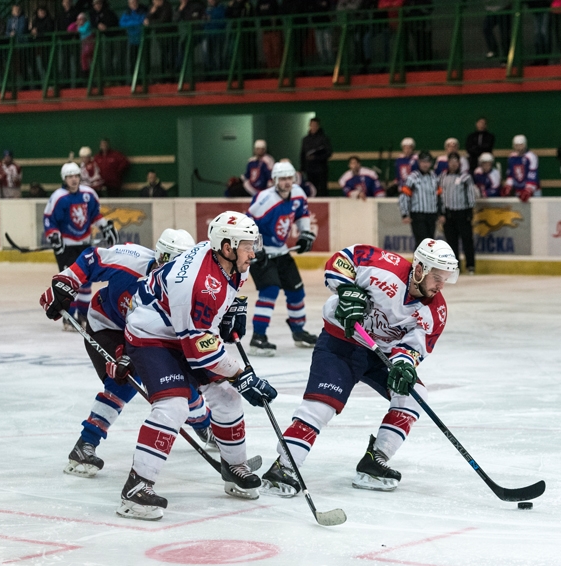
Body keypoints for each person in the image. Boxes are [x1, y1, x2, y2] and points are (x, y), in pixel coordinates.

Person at [261, 238, 459, 495]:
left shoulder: (436, 311)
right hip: (341, 341)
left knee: (414, 395)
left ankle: (374, 461)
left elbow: (413, 346)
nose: (441, 284)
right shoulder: (384, 267)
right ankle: (283, 468)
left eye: (447, 277)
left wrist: (404, 365)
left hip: (380, 354)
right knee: (322, 404)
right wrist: (345, 289)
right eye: (437, 276)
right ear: (419, 269)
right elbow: (342, 260)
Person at [118, 212, 274, 519]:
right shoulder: (198, 284)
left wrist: (230, 308)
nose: (253, 252)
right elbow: (200, 354)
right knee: (174, 405)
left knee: (228, 397)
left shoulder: (225, 258)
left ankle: (233, 468)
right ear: (227, 247)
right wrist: (243, 373)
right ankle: (136, 488)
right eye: (247, 246)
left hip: (182, 328)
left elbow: (218, 300)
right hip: (152, 335)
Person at [38, 229, 220, 476]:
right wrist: (66, 281)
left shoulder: (184, 289)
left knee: (181, 386)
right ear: (162, 257)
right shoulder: (130, 259)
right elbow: (93, 258)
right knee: (121, 383)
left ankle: (205, 426)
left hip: (147, 336)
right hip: (106, 326)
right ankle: (85, 444)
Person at [247, 161, 319, 356]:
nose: (287, 182)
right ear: (275, 180)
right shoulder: (264, 200)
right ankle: (258, 337)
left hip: (281, 251)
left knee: (296, 292)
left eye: (290, 178)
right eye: (283, 179)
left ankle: (299, 332)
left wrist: (306, 234)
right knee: (269, 291)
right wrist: (256, 249)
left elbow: (302, 213)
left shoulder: (298, 194)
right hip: (261, 254)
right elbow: (248, 224)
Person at [43, 162, 119, 329]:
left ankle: (84, 316)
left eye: (76, 176)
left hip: (84, 244)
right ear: (64, 179)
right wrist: (54, 236)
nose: (74, 180)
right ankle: (68, 318)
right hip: (66, 247)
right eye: (70, 177)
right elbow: (49, 220)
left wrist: (105, 227)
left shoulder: (89, 194)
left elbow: (95, 215)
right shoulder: (58, 197)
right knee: (68, 282)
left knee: (85, 282)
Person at [440, 152, 477, 274]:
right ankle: (455, 266)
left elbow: (471, 194)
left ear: (459, 163)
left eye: (456, 162)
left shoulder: (465, 177)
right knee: (451, 242)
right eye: (451, 162)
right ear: (448, 163)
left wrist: (469, 211)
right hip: (449, 213)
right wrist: (441, 212)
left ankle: (470, 265)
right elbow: (440, 195)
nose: (453, 164)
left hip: (462, 212)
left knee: (467, 240)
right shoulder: (442, 177)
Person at [399, 151, 442, 245]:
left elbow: (439, 197)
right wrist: (405, 214)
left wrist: (440, 213)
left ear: (431, 163)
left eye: (427, 162)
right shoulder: (412, 177)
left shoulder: (434, 177)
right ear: (419, 162)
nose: (425, 164)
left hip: (432, 214)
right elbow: (404, 196)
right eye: (423, 162)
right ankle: (418, 260)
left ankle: (426, 260)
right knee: (421, 242)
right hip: (418, 214)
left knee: (430, 244)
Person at [300, 117, 333, 197]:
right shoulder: (305, 139)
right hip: (309, 169)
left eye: (315, 125)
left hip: (321, 169)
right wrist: (302, 168)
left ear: (318, 126)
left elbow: (328, 152)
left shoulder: (323, 138)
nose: (313, 127)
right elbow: (302, 154)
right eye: (312, 125)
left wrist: (316, 157)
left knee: (321, 189)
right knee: (311, 188)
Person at [504, 135, 539, 201]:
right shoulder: (511, 157)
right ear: (513, 146)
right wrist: (508, 186)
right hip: (518, 191)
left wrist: (529, 190)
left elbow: (533, 175)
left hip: (533, 192)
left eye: (521, 145)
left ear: (525, 145)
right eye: (517, 145)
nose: (519, 148)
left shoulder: (531, 157)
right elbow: (510, 174)